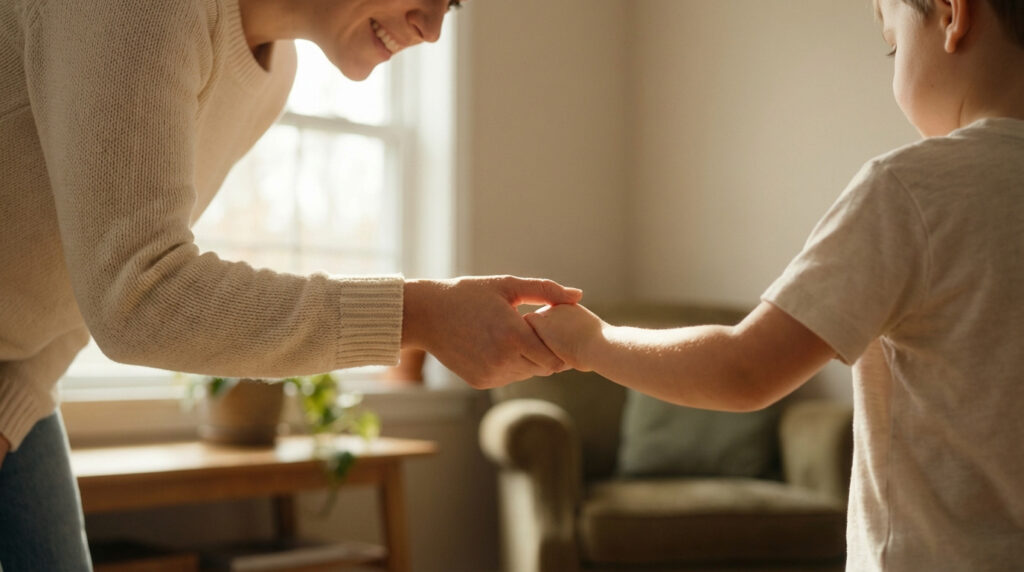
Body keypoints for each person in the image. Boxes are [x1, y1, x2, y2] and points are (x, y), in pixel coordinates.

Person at [0, 0, 581, 568]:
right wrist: (418, 313)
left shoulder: (272, 78)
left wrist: (14, 402)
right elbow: (139, 297)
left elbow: (81, 271)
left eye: (451, 5)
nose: (431, 29)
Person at [525, 0, 1024, 569]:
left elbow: (744, 371)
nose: (893, 66)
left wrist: (590, 342)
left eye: (893, 43)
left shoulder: (912, 192)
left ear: (954, 15)